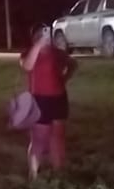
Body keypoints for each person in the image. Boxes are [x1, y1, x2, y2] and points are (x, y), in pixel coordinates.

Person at [20, 24, 78, 180]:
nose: (46, 37)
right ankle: (33, 174)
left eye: (48, 34)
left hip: (58, 98)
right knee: (39, 138)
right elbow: (27, 66)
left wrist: (64, 78)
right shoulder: (28, 53)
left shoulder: (57, 53)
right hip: (39, 100)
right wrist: (38, 45)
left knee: (57, 137)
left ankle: (59, 172)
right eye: (42, 34)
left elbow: (72, 64)